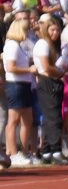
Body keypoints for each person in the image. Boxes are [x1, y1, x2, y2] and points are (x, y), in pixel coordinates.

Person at [33, 14, 68, 163]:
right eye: (52, 30)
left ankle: (47, 152)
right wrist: (61, 73)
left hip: (52, 81)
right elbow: (46, 67)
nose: (55, 33)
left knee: (49, 118)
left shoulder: (51, 46)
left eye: (57, 30)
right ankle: (55, 151)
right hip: (48, 81)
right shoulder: (43, 44)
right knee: (54, 117)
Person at [3, 19, 37, 166]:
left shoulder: (17, 45)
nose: (28, 32)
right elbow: (10, 67)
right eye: (26, 30)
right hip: (15, 85)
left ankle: (24, 152)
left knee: (27, 120)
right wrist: (29, 69)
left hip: (24, 85)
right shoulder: (12, 45)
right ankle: (14, 154)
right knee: (13, 121)